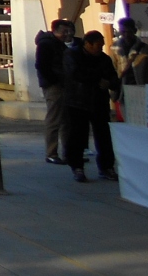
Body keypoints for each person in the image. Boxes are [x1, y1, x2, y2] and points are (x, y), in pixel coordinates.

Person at [63, 30, 120, 183]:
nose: (100, 49)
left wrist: (110, 83)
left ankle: (106, 167)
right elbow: (76, 74)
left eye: (102, 46)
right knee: (77, 136)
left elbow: (114, 78)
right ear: (87, 44)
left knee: (104, 136)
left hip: (99, 101)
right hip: (77, 101)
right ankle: (77, 167)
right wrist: (99, 79)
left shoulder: (104, 59)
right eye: (98, 46)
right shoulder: (72, 55)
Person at [35, 19, 75, 163]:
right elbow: (42, 65)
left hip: (62, 83)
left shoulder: (59, 44)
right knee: (54, 118)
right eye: (64, 31)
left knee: (66, 120)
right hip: (54, 85)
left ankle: (68, 153)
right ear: (55, 31)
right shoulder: (46, 44)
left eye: (68, 31)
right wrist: (54, 80)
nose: (67, 34)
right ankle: (51, 153)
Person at [113, 17, 148, 87]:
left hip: (145, 89)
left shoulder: (147, 50)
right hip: (124, 89)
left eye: (129, 32)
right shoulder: (115, 50)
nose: (126, 35)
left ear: (135, 31)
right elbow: (113, 72)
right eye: (123, 32)